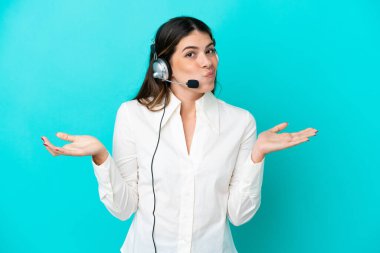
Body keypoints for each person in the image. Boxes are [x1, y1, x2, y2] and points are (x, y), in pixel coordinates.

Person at [41, 16, 317, 253]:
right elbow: (124, 208)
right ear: (163, 67)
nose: (207, 62)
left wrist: (257, 157)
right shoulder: (132, 115)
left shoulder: (240, 122)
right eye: (191, 53)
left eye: (210, 50)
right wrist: (101, 157)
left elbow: (239, 215)